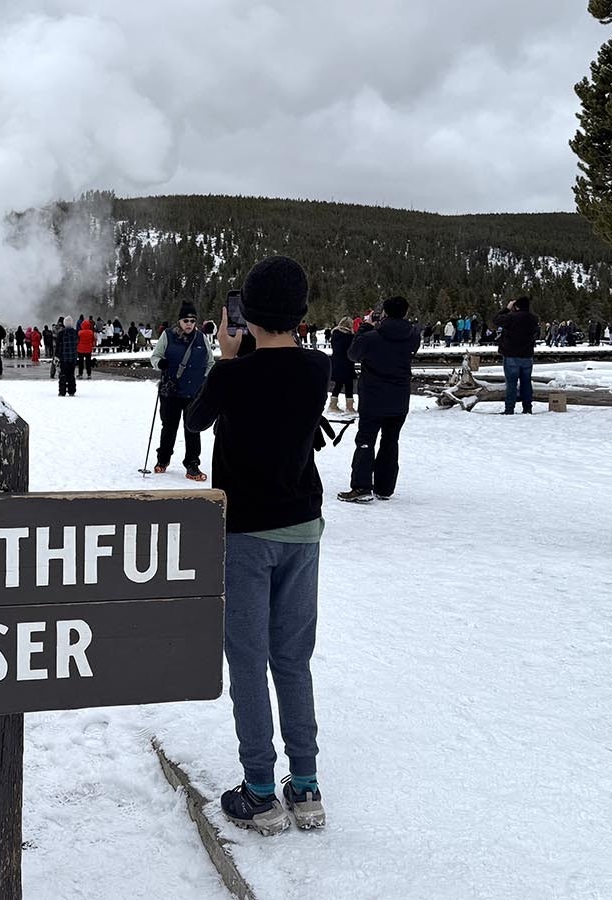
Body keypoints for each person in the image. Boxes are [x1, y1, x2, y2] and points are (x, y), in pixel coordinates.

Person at [183, 256, 330, 836]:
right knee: (292, 657)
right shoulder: (317, 368)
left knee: (248, 658)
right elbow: (280, 386)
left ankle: (261, 791)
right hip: (303, 527)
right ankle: (307, 786)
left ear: (245, 315)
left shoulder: (231, 374)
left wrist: (224, 358)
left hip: (245, 531)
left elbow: (195, 421)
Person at [338, 296, 419, 503]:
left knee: (366, 440)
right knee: (391, 441)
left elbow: (353, 354)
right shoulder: (413, 336)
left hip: (373, 395)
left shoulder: (372, 337)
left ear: (384, 313)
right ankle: (385, 487)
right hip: (400, 397)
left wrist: (365, 328)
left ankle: (362, 486)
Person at [151, 302, 216, 478]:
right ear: (179, 321)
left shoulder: (202, 338)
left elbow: (210, 363)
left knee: (193, 429)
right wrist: (160, 363)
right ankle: (163, 459)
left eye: (192, 320)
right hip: (171, 392)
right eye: (186, 320)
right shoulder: (168, 336)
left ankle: (192, 463)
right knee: (169, 427)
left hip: (194, 393)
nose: (189, 323)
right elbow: (155, 357)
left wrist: (204, 381)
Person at [494, 296, 540, 414]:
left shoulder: (511, 317)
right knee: (526, 383)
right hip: (527, 355)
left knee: (511, 384)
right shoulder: (534, 318)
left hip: (511, 354)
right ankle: (527, 408)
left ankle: (509, 409)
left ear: (516, 306)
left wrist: (507, 308)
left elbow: (496, 320)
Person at [327, 317, 355, 414]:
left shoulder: (335, 335)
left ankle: (332, 405)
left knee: (338, 384)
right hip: (347, 362)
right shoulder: (349, 337)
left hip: (336, 362)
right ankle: (349, 407)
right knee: (349, 384)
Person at [55, 316, 80, 396]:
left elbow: (58, 346)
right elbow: (77, 344)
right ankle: (71, 391)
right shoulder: (75, 333)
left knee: (63, 375)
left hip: (63, 358)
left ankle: (62, 391)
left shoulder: (61, 334)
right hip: (73, 358)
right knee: (71, 375)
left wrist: (56, 356)